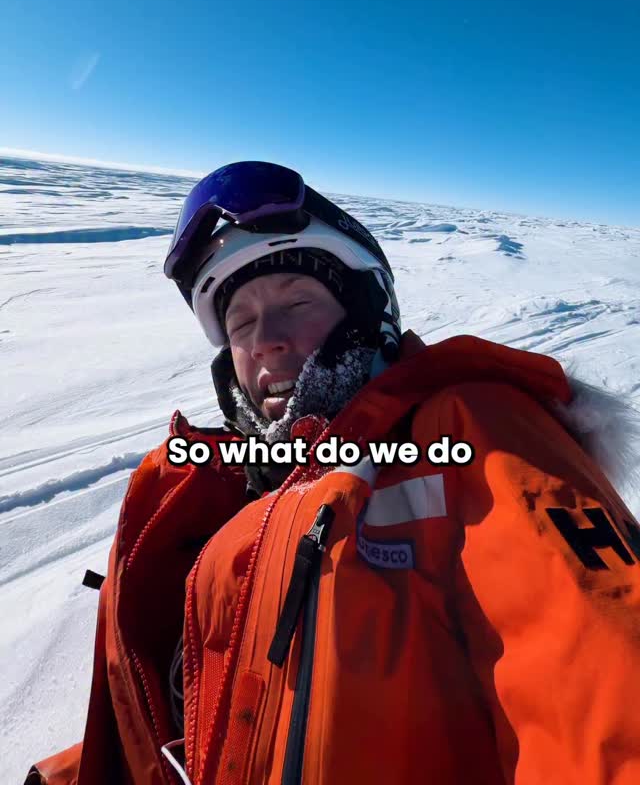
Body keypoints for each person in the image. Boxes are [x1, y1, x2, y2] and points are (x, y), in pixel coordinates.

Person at [26, 161, 640, 785]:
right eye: (240, 321)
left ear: (367, 314)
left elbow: (603, 685)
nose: (266, 339)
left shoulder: (476, 436)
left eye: (297, 301)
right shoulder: (219, 488)